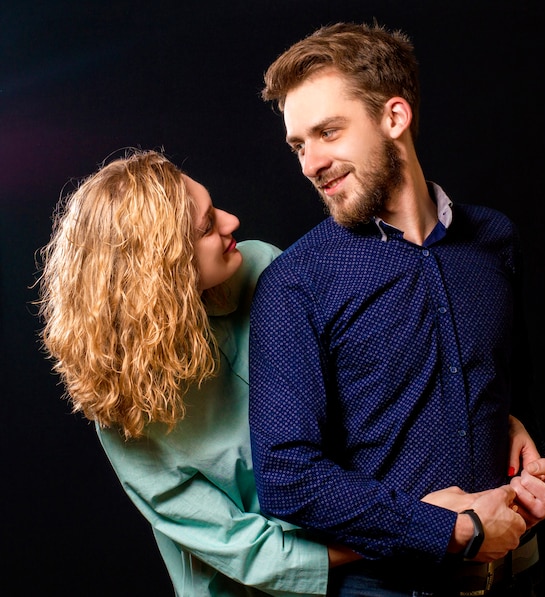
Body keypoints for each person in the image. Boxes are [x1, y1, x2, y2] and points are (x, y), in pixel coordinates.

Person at [248, 22, 545, 596]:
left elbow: (514, 396)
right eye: (299, 144)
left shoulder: (495, 239)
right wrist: (450, 529)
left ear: (394, 118)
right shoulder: (295, 283)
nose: (309, 164)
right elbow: (287, 478)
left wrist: (536, 464)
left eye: (327, 133)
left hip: (520, 578)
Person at [34, 148, 359, 596]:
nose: (231, 222)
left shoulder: (262, 267)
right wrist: (397, 535)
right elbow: (245, 550)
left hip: (363, 545)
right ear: (160, 273)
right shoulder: (123, 412)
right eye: (208, 226)